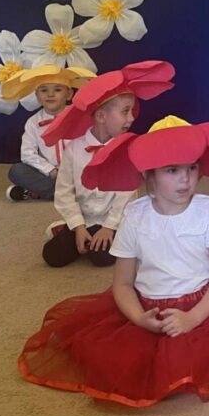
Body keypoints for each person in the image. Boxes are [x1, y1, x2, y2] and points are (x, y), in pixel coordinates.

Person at [18, 116, 209, 407]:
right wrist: (138, 318)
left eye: (192, 167)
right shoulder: (134, 215)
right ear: (149, 176)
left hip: (202, 306)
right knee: (114, 360)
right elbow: (122, 283)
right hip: (146, 306)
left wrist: (193, 319)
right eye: (172, 170)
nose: (186, 178)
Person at [39, 60, 175, 268]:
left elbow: (126, 195)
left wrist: (109, 227)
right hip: (83, 219)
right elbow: (64, 191)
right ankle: (67, 228)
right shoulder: (74, 149)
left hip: (113, 220)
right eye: (125, 111)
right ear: (101, 116)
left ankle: (105, 236)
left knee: (102, 257)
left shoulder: (127, 149)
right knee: (52, 256)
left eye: (132, 111)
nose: (132, 118)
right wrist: (77, 226)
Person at [1, 64, 95, 201]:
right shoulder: (33, 122)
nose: (50, 94)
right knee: (17, 171)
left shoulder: (80, 116)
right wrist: (50, 170)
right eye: (44, 90)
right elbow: (27, 154)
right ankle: (68, 193)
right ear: (37, 95)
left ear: (69, 94)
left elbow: (91, 146)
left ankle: (38, 193)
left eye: (57, 89)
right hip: (50, 173)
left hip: (77, 171)